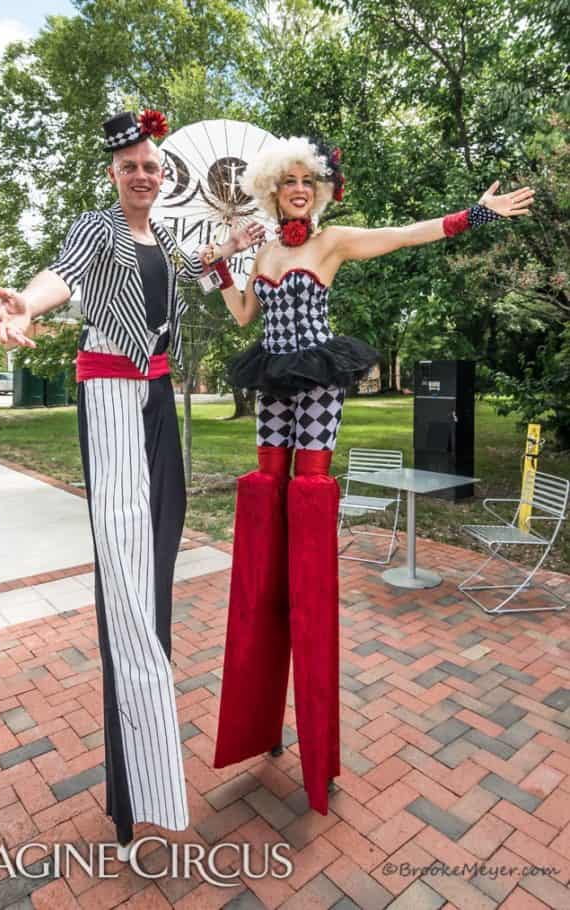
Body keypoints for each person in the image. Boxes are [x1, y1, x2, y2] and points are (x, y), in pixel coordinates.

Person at [205, 135, 534, 814]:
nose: (297, 187)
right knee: (267, 492)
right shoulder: (263, 250)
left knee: (310, 492)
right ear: (272, 188)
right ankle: (260, 701)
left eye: (307, 180)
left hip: (317, 381)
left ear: (319, 188)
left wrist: (475, 214)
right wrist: (220, 269)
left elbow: (403, 235)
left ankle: (316, 733)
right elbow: (243, 314)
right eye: (286, 180)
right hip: (269, 380)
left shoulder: (332, 242)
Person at [0, 109, 263, 854]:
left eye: (153, 165)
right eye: (133, 165)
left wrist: (230, 246)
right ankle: (141, 777)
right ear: (114, 173)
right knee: (128, 580)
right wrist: (24, 306)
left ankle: (150, 761)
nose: (145, 174)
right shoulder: (96, 228)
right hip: (109, 390)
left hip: (159, 399)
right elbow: (62, 277)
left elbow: (194, 269)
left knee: (155, 564)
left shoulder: (164, 236)